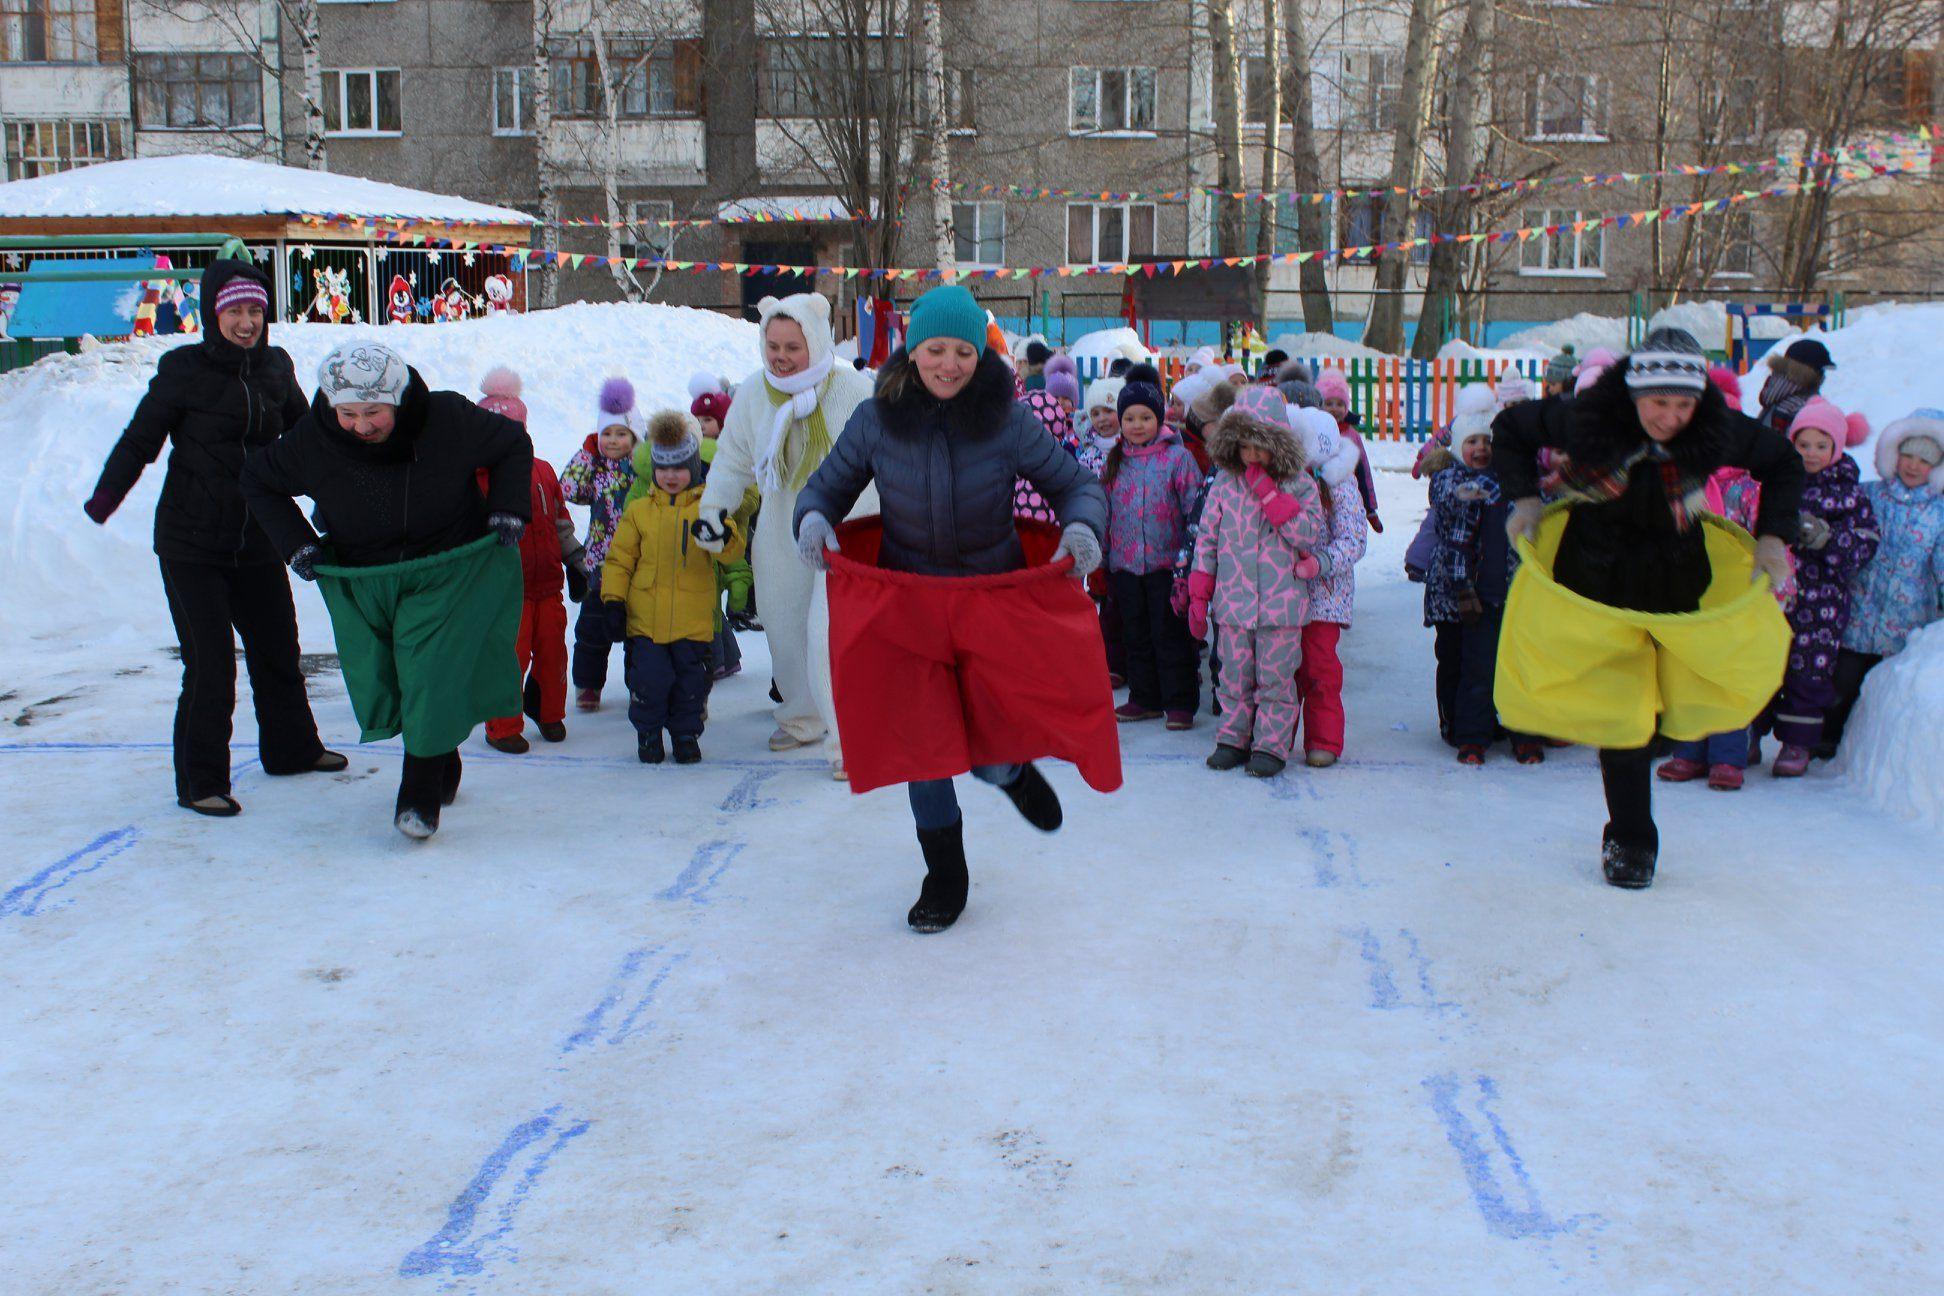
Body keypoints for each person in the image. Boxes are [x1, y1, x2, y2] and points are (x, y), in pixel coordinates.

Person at [792, 284, 1108, 933]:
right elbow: (825, 488)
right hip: (909, 608)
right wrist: (815, 519)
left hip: (989, 605)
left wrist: (1082, 529)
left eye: (963, 351)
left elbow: (1074, 484)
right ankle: (945, 874)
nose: (949, 364)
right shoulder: (877, 419)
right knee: (924, 748)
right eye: (936, 349)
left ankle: (1009, 772)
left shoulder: (1007, 418)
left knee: (989, 745)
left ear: (979, 353)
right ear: (913, 351)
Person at [1493, 327, 1804, 889]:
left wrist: (1773, 537)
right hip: (1597, 574)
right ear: (1634, 393)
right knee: (1623, 717)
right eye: (1659, 403)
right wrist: (1524, 500)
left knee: (1667, 699)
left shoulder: (1713, 425)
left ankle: (1662, 737)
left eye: (1683, 404)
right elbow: (1510, 430)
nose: (1671, 417)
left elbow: (1783, 462)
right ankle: (1633, 839)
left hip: (1674, 573)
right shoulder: (1586, 416)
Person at [241, 341, 533, 839]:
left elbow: (512, 444)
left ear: (397, 400)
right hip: (367, 579)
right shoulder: (314, 439)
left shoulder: (446, 417)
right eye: (348, 413)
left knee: (426, 665)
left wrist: (507, 506)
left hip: (447, 568)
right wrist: (296, 544)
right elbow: (256, 479)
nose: (361, 425)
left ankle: (417, 796)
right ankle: (440, 753)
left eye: (373, 411)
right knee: (395, 679)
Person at [82, 259, 343, 817]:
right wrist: (106, 498)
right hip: (190, 542)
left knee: (278, 650)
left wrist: (340, 497)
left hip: (255, 540)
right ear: (213, 314)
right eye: (235, 311)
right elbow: (140, 440)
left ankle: (292, 749)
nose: (246, 321)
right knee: (211, 664)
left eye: (255, 310)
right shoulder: (184, 370)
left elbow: (306, 439)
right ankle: (201, 779)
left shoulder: (276, 366)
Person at [694, 292, 874, 777]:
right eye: (773, 344)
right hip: (780, 526)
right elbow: (732, 460)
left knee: (828, 634)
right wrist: (714, 509)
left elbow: (882, 459)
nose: (781, 355)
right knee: (782, 624)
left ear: (815, 341)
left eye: (793, 345)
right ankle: (801, 717)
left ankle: (850, 741)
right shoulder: (754, 393)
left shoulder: (851, 390)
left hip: (846, 527)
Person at [1187, 387, 1325, 778]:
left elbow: (1307, 535)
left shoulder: (1299, 484)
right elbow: (1208, 539)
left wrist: (1270, 495)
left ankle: (1270, 745)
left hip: (1281, 608)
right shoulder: (1225, 484)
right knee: (1233, 678)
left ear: (1278, 446)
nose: (1251, 456)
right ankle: (1232, 739)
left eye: (1260, 448)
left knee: (1276, 681)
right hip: (1233, 604)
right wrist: (1200, 591)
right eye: (1244, 446)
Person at [602, 412, 747, 765]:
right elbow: (620, 560)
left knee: (690, 685)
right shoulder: (638, 511)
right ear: (653, 470)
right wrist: (612, 600)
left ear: (693, 468)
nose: (670, 476)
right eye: (663, 468)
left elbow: (733, 551)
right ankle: (648, 733)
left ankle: (685, 735)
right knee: (648, 682)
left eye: (679, 468)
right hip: (646, 620)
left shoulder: (708, 509)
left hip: (693, 621)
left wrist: (722, 535)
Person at [1754, 398, 1878, 776]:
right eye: (1803, 444)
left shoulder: (1849, 492)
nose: (1811, 453)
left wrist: (1828, 538)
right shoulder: (1777, 480)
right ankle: (1744, 736)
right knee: (1762, 664)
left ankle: (1797, 742)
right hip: (1774, 594)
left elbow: (1866, 541)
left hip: (1822, 600)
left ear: (1837, 447)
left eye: (1821, 446)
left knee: (1809, 672)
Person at [1422, 397, 1537, 765]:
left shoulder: (1510, 485)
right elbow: (1450, 501)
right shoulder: (1450, 478)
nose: (1481, 449)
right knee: (1466, 664)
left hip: (1510, 592)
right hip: (1461, 590)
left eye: (1487, 443)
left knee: (1515, 666)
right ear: (1458, 447)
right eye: (1472, 442)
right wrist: (1473, 489)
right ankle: (1465, 731)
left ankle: (1522, 732)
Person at [477, 367, 585, 754]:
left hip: (548, 585)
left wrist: (576, 560)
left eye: (516, 431)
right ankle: (501, 725)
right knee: (510, 658)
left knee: (554, 653)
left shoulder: (541, 470)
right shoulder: (476, 478)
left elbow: (559, 520)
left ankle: (548, 711)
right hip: (507, 592)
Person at [1823, 409, 1944, 751]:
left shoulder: (1940, 511)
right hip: (1857, 616)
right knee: (1841, 684)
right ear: (1893, 454)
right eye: (1908, 455)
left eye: (1925, 459)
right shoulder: (1867, 495)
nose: (1913, 465)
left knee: (1886, 694)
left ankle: (1867, 750)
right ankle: (1826, 740)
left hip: (1904, 624)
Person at [1101, 376, 1204, 729]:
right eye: (1129, 418)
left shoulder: (1178, 459)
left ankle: (1179, 701)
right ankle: (1144, 697)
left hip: (1167, 564)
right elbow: (1105, 511)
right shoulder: (1115, 460)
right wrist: (1104, 556)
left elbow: (1195, 509)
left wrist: (1190, 560)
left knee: (1170, 634)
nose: (1137, 425)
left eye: (1145, 417)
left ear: (1158, 419)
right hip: (1125, 564)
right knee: (1136, 633)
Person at [1290, 408, 1369, 767]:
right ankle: (1274, 738)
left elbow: (1353, 538)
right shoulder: (1282, 480)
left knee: (1320, 669)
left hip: (1325, 597)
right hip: (1283, 594)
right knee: (1282, 671)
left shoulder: (1338, 481)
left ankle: (1323, 738)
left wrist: (1320, 563)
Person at [561, 378, 643, 710]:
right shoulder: (594, 467)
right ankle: (588, 685)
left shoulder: (641, 468)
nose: (612, 440)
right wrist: (587, 452)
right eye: (605, 434)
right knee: (592, 628)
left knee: (638, 630)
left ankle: (640, 685)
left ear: (634, 437)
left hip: (638, 562)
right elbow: (568, 489)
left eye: (620, 434)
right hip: (600, 562)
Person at [1315, 369, 1383, 534]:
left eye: (1340, 404)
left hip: (1347, 500)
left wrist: (1369, 507)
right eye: (1329, 403)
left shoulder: (1351, 435)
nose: (1334, 409)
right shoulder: (1315, 430)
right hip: (1317, 500)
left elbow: (1363, 471)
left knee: (1347, 536)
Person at [1755, 337, 1835, 433]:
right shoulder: (1803, 406)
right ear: (1812, 373)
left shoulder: (1775, 394)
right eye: (1821, 370)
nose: (1823, 375)